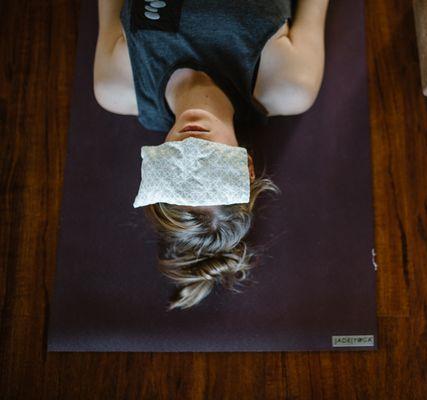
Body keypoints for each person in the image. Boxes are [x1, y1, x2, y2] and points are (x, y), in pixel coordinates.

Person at [93, 0, 329, 309]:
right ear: (246, 167)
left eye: (178, 170)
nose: (193, 146)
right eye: (210, 165)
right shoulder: (288, 87)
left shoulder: (117, 86)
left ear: (156, 170)